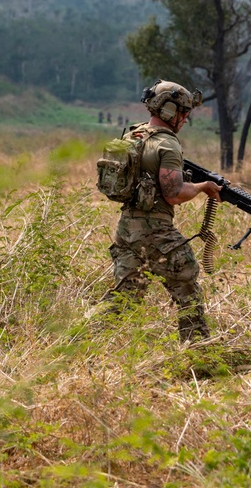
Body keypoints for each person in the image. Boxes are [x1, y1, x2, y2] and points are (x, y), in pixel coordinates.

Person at [101, 80, 221, 342]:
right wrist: (203, 187)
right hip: (156, 232)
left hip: (127, 229)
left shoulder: (133, 135)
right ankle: (199, 349)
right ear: (169, 110)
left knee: (124, 297)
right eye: (183, 112)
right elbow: (173, 193)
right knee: (186, 278)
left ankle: (86, 345)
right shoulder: (168, 145)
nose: (185, 119)